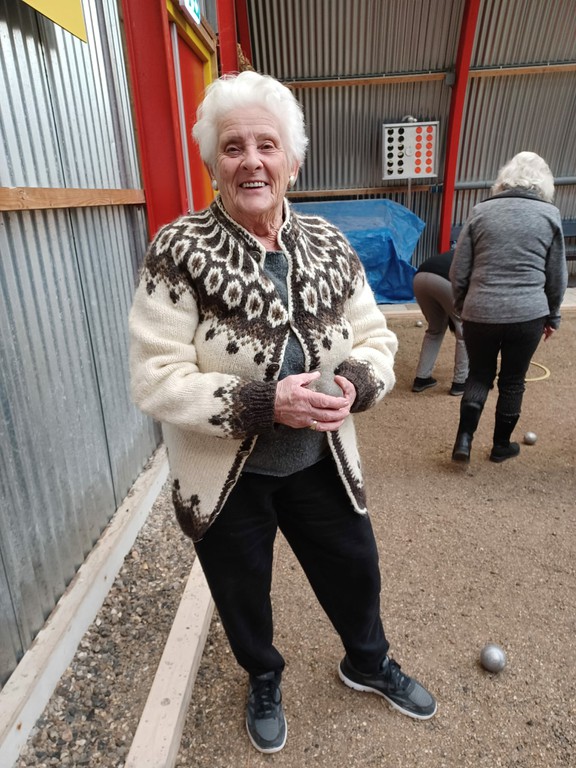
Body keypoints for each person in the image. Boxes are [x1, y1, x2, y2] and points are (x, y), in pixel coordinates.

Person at [129, 70, 436, 754]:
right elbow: (155, 378)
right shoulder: (179, 251)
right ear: (213, 164)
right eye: (232, 147)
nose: (251, 161)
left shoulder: (328, 243)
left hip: (320, 458)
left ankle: (367, 661)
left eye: (267, 145)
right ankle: (263, 675)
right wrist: (264, 402)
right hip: (225, 474)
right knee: (241, 588)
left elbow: (376, 336)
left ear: (293, 160)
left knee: (355, 567)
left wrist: (355, 383)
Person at [449, 151, 568, 464]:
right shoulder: (550, 215)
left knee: (478, 375)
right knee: (513, 381)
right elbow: (557, 275)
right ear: (545, 183)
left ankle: (463, 441)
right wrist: (553, 315)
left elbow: (459, 269)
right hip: (528, 313)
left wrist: (463, 305)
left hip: (480, 311)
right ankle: (501, 446)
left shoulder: (480, 211)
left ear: (505, 178)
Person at [411, 250, 469, 395]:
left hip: (420, 277)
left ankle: (422, 378)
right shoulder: (483, 258)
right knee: (465, 332)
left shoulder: (464, 250)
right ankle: (460, 382)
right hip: (446, 280)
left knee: (434, 330)